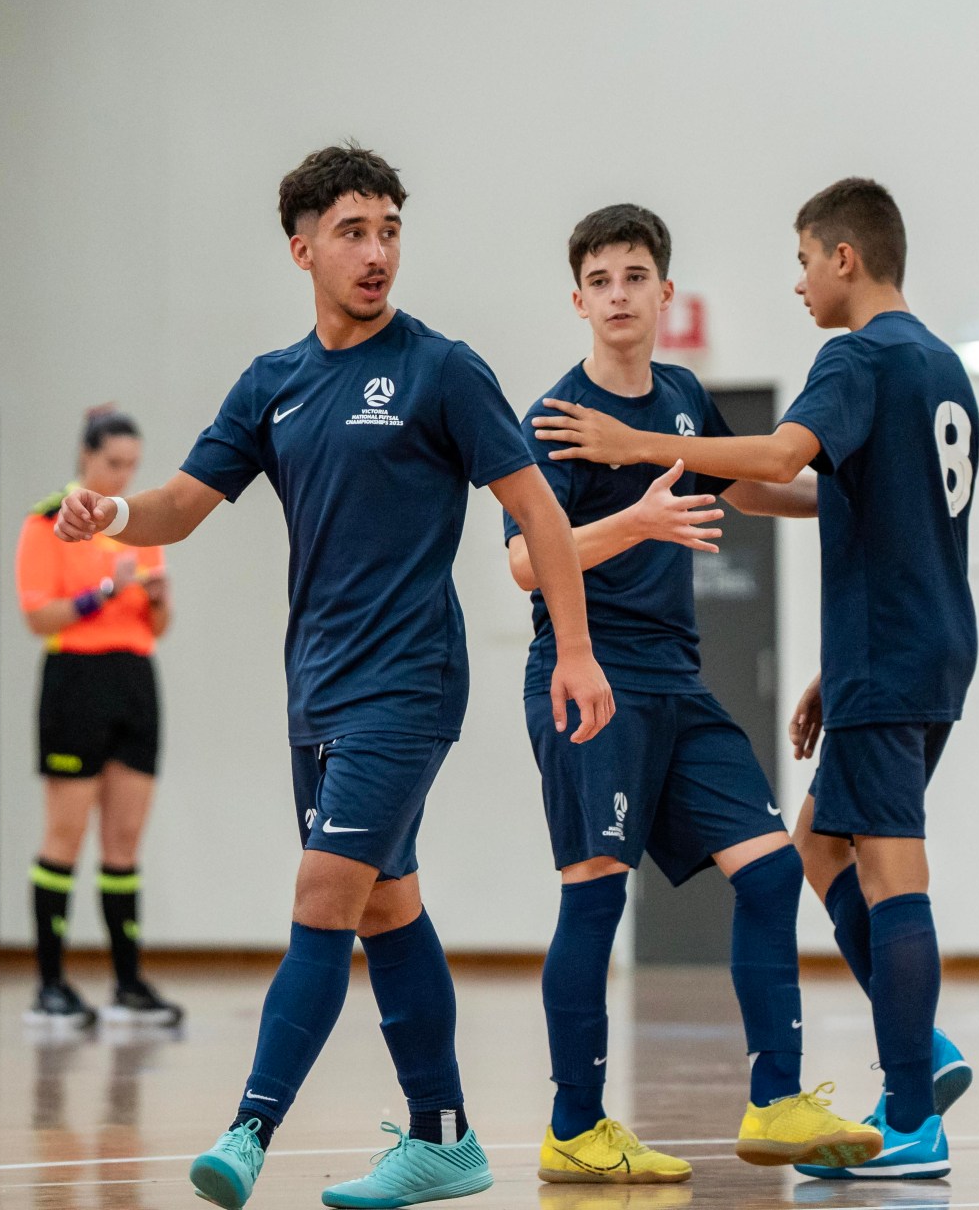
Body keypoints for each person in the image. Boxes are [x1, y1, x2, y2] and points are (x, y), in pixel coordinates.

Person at [53, 143, 613, 1210]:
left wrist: (575, 648)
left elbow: (540, 509)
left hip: (408, 683)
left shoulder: (442, 368)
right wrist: (112, 514)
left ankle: (249, 1128)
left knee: (322, 889)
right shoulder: (274, 385)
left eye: (392, 229)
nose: (377, 252)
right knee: (384, 906)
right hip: (315, 687)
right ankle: (444, 1136)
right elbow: (181, 501)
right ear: (302, 246)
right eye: (355, 231)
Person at [531, 178, 977, 1180]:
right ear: (579, 299)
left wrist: (649, 449)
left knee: (839, 863)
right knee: (790, 851)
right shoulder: (941, 365)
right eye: (599, 280)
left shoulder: (801, 367)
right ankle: (580, 1120)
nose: (617, 295)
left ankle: (890, 1092)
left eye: (635, 277)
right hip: (878, 647)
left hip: (802, 666)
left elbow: (767, 461)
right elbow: (530, 558)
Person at [14, 407, 182, 1029]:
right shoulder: (45, 523)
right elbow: (39, 618)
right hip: (75, 680)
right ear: (86, 458)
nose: (122, 476)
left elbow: (157, 626)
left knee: (124, 841)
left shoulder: (139, 524)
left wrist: (159, 601)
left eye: (132, 466)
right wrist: (103, 593)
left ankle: (128, 984)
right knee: (66, 836)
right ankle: (50, 985)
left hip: (134, 678)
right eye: (113, 464)